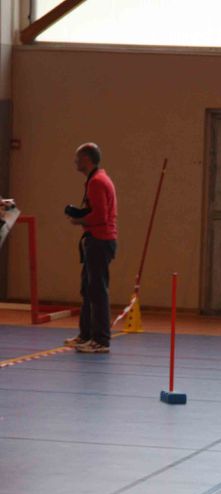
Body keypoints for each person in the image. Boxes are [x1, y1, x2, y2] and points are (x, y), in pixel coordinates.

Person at [64, 143, 118, 353]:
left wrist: (79, 220)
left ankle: (101, 340)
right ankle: (85, 335)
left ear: (87, 159)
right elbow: (94, 210)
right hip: (95, 239)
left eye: (78, 158)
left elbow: (100, 216)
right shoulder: (95, 180)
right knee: (88, 289)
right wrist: (80, 213)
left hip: (100, 240)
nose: (75, 162)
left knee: (97, 290)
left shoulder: (97, 181)